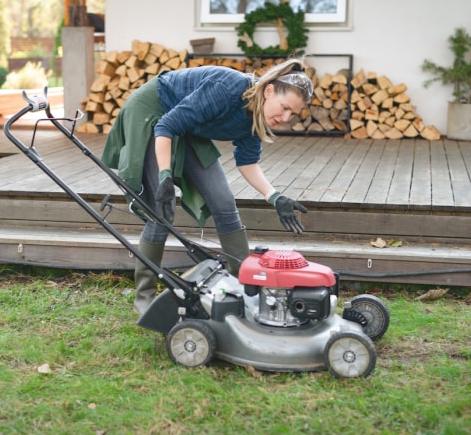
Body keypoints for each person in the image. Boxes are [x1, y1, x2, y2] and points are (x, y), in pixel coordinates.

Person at [101, 58, 313, 314]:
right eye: (285, 107)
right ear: (269, 91)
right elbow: (166, 126)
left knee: (223, 202)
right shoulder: (227, 89)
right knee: (161, 209)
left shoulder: (258, 115)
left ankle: (243, 289)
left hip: (186, 123)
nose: (286, 117)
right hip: (154, 111)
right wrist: (165, 175)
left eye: (293, 114)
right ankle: (143, 297)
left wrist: (275, 196)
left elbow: (247, 163)